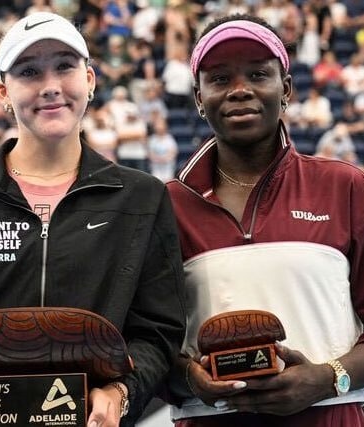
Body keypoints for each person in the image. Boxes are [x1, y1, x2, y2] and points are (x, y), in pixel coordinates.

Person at [0, 12, 186, 427]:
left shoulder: (141, 198)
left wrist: (121, 392)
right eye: (29, 72)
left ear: (90, 80)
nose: (51, 85)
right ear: (3, 93)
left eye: (64, 66)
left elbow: (158, 331)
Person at [165, 13, 364, 427]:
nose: (240, 90)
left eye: (258, 74)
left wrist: (328, 378)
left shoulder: (344, 186)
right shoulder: (166, 204)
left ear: (285, 88)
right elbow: (149, 342)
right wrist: (187, 377)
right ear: (199, 98)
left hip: (329, 418)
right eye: (220, 79)